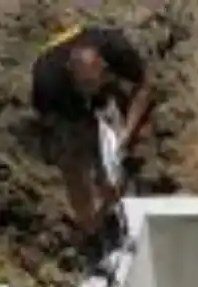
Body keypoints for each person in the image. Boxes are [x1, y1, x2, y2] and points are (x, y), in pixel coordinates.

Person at [31, 21, 152, 261]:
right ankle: (91, 230)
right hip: (64, 106)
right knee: (75, 164)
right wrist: (102, 173)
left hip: (95, 83)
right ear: (72, 75)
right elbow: (78, 135)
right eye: (85, 86)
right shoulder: (50, 83)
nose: (91, 89)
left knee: (133, 137)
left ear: (105, 67)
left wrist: (126, 136)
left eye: (95, 83)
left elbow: (145, 86)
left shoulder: (117, 49)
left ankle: (128, 189)